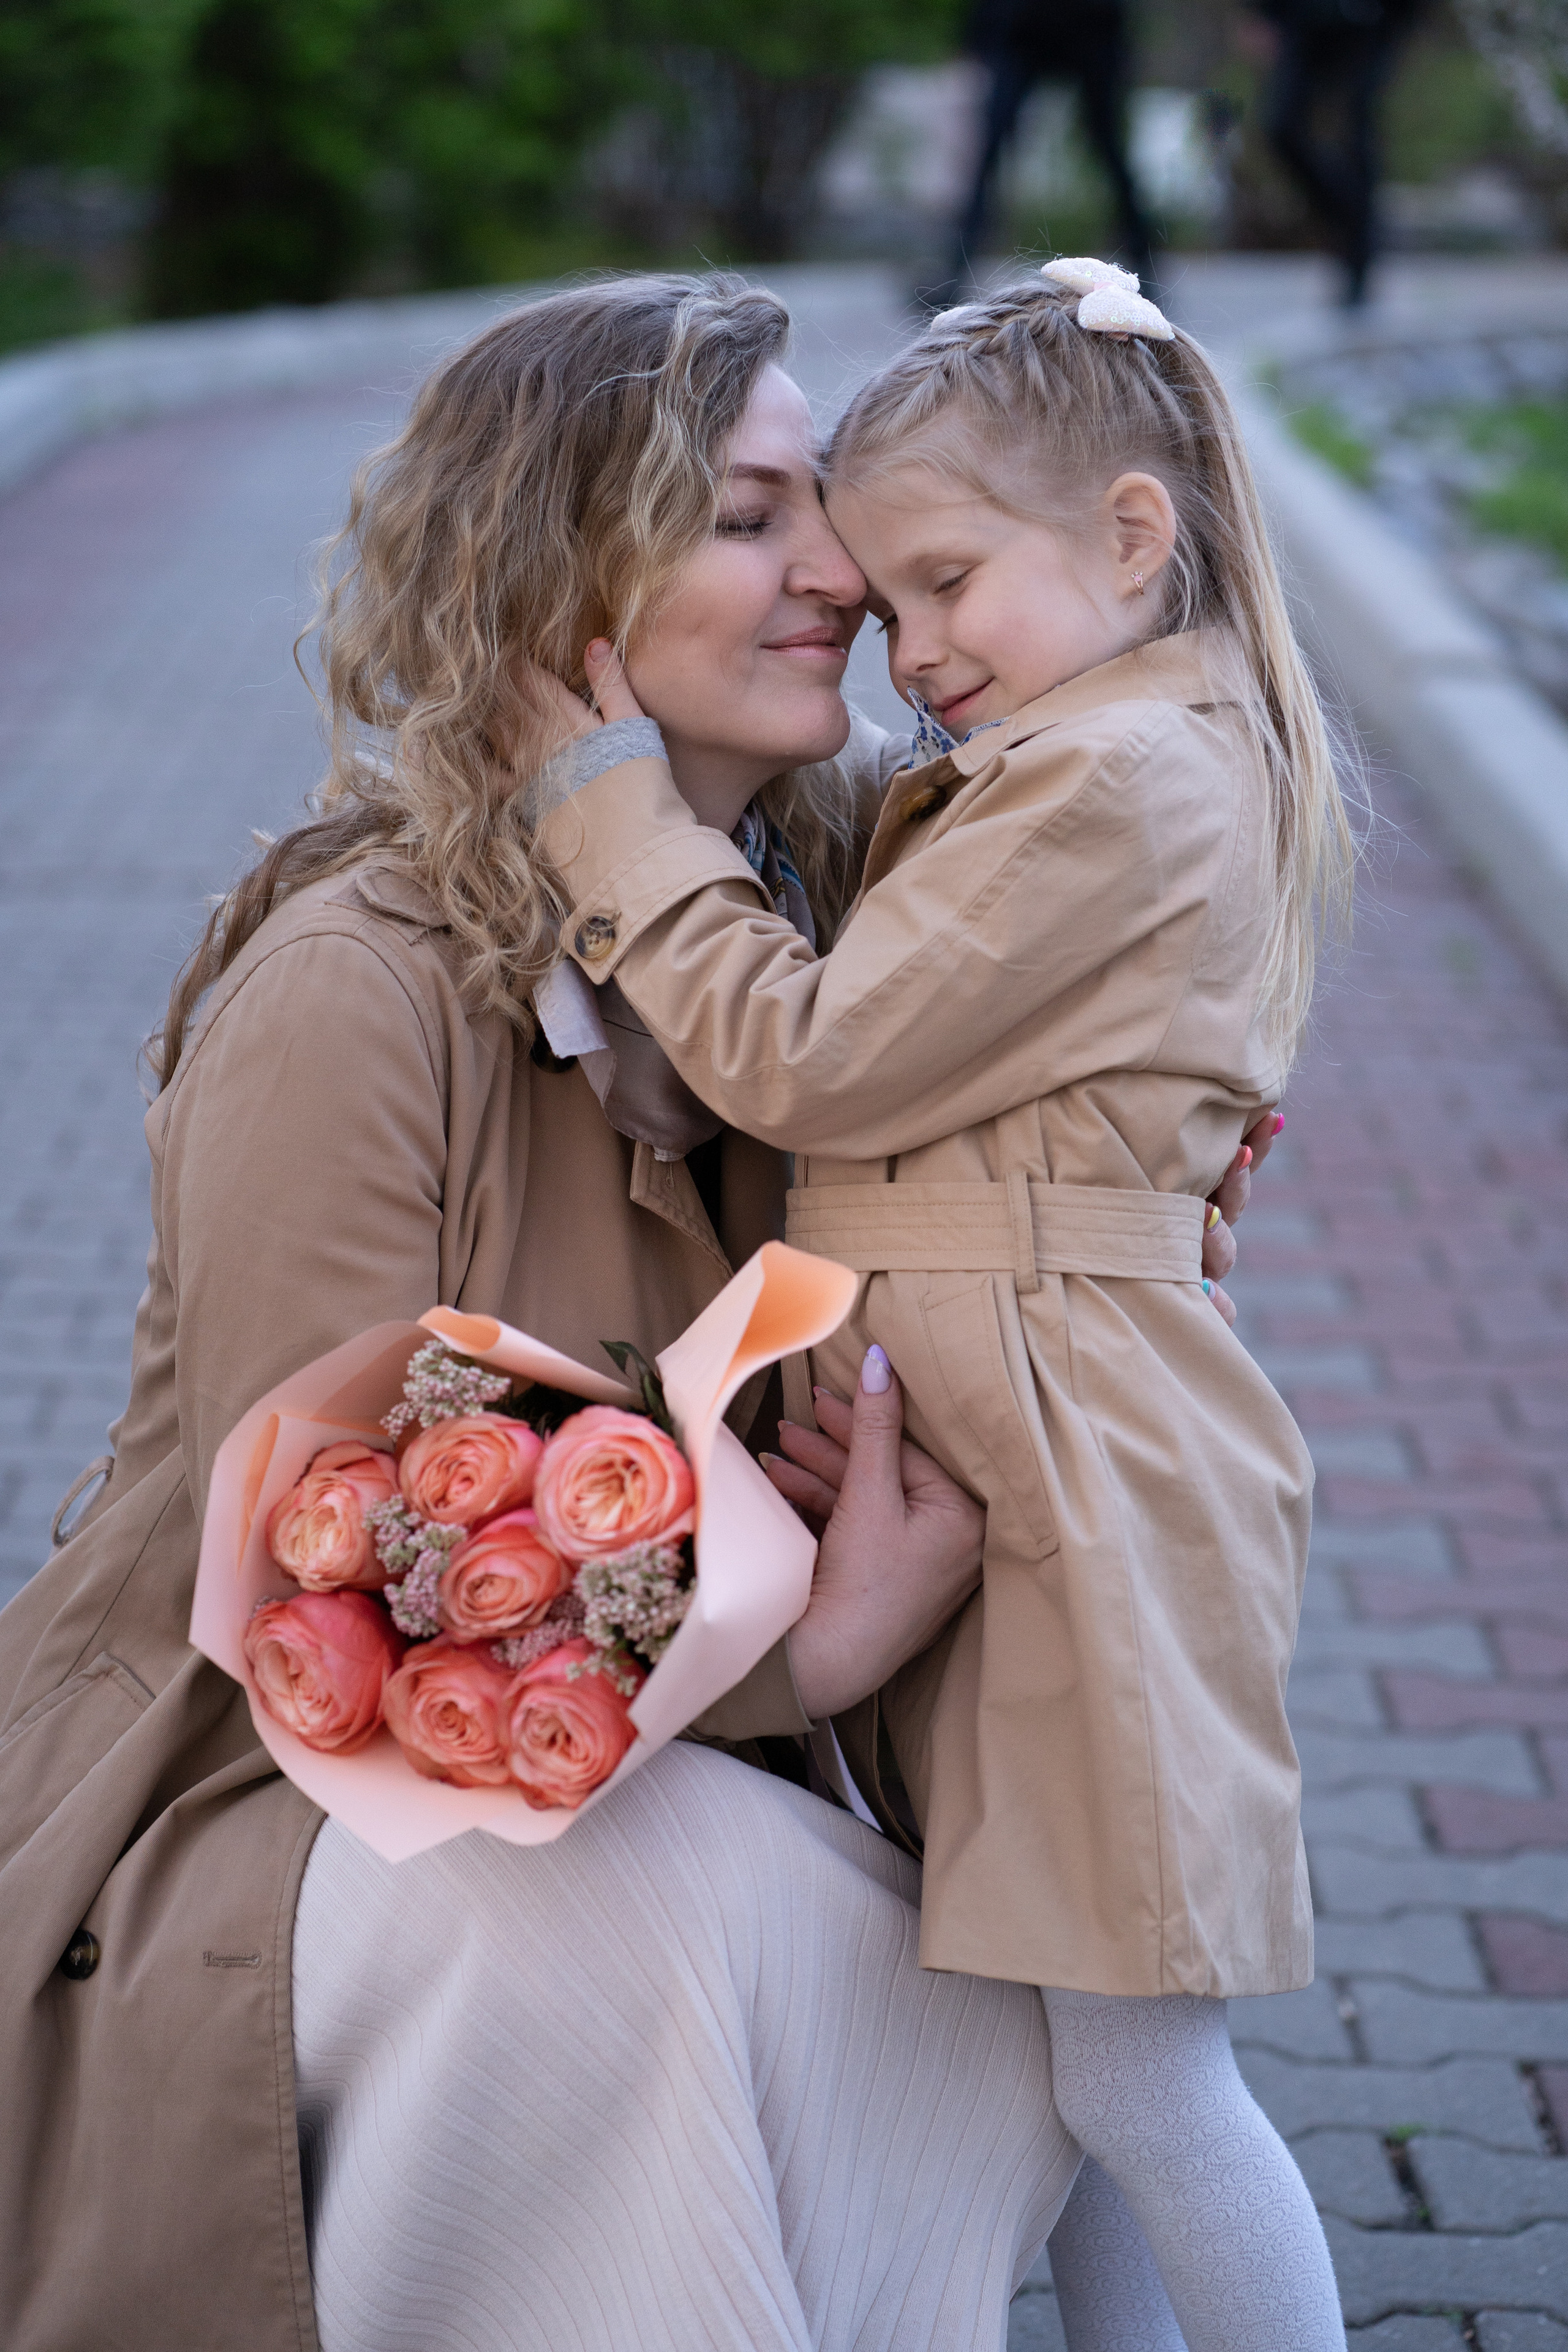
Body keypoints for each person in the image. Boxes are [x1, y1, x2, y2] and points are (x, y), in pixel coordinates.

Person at [0, 274, 1263, 2351]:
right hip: (256, 1819)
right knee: (663, 1923)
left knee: (998, 2007)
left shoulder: (811, 958)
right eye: (751, 515)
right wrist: (808, 1640)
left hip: (630, 1779)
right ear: (557, 575)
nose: (845, 579)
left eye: (830, 517)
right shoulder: (360, 986)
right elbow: (336, 1567)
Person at [529, 266, 1354, 2348]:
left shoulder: (1122, 779)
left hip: (1080, 1469)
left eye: (953, 581)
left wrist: (608, 809)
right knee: (1038, 2065)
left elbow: (810, 1062)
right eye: (890, 601)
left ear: (1135, 537)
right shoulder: (1096, 755)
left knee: (1131, 2066)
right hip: (1011, 1443)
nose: (916, 648)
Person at [929, 0, 1156, 307]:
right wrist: (979, 37)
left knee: (1113, 157)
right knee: (987, 159)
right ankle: (952, 279)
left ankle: (1149, 276)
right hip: (1023, 29)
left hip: (1089, 26)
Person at [1249, 0, 1427, 308]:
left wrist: (1400, 22)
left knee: (1360, 138)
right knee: (1283, 127)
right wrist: (1265, 15)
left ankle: (1359, 264)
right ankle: (1354, 218)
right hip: (1304, 20)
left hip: (1370, 22)